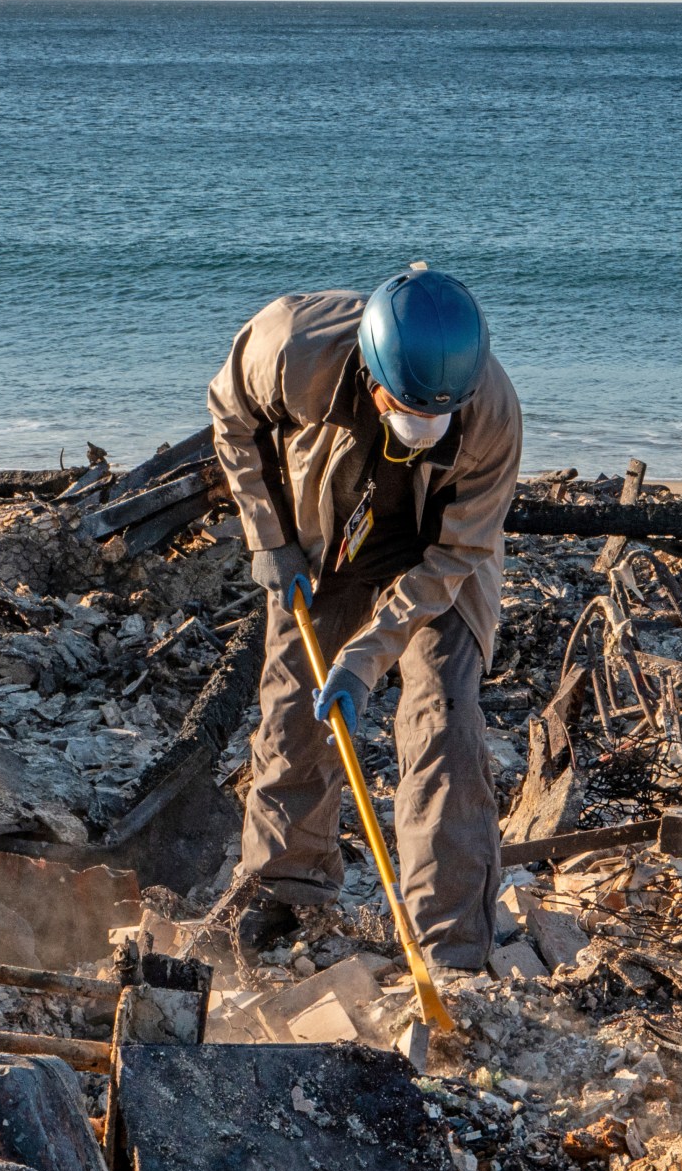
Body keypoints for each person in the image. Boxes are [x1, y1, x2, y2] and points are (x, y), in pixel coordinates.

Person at [206, 265, 523, 968]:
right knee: (294, 707)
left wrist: (367, 654)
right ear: (372, 373)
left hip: (439, 559)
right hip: (326, 538)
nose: (424, 430)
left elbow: (458, 554)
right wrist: (268, 538)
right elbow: (231, 414)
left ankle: (451, 945)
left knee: (444, 720)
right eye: (407, 410)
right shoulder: (293, 346)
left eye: (438, 417)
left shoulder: (491, 413)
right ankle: (288, 888)